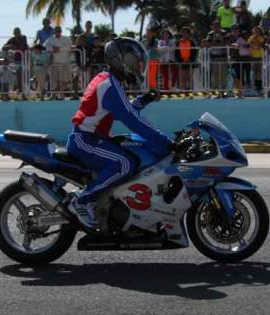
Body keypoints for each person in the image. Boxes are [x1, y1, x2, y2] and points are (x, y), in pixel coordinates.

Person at [66, 37, 172, 229]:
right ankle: (82, 201)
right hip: (85, 141)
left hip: (93, 138)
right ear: (119, 61)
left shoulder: (109, 80)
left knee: (132, 149)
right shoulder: (110, 86)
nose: (137, 66)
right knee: (125, 163)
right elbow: (131, 120)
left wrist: (144, 100)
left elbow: (122, 112)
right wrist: (166, 143)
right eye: (133, 61)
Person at [44, 26, 72, 100]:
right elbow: (46, 46)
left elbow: (69, 47)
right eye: (56, 31)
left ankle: (61, 95)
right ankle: (54, 95)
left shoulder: (66, 38)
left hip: (65, 62)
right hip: (55, 63)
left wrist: (59, 49)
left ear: (61, 31)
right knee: (55, 80)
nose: (58, 32)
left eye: (59, 31)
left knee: (64, 80)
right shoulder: (50, 39)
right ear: (54, 32)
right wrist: (53, 49)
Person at [3, 27, 29, 94]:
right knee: (18, 74)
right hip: (17, 60)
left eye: (18, 33)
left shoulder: (23, 37)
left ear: (20, 33)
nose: (17, 34)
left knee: (25, 75)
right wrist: (10, 46)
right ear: (14, 33)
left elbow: (22, 47)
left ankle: (25, 90)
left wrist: (15, 47)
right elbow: (4, 47)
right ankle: (19, 89)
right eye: (15, 33)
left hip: (25, 59)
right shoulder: (12, 40)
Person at [206, 21, 229, 96]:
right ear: (212, 26)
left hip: (223, 57)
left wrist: (216, 43)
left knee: (223, 74)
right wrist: (216, 43)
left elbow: (225, 42)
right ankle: (216, 91)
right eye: (214, 26)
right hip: (214, 58)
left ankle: (223, 91)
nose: (216, 27)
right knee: (215, 75)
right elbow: (208, 43)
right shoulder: (210, 34)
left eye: (217, 25)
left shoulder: (224, 33)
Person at [175, 27, 197, 91]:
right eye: (183, 32)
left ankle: (191, 92)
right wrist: (180, 61)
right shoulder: (178, 42)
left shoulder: (192, 42)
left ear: (188, 34)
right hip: (182, 62)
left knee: (189, 77)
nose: (184, 34)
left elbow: (194, 52)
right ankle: (183, 92)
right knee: (183, 78)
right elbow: (176, 53)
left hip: (190, 62)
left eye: (185, 32)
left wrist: (191, 60)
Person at [248, 26, 265, 94]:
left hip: (260, 56)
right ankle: (255, 84)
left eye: (258, 31)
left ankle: (259, 85)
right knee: (254, 71)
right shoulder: (250, 38)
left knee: (259, 72)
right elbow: (250, 45)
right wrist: (254, 44)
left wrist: (255, 41)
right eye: (255, 31)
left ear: (260, 32)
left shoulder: (261, 38)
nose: (256, 32)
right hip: (253, 57)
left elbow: (259, 46)